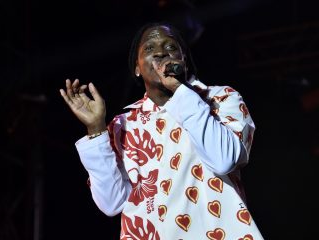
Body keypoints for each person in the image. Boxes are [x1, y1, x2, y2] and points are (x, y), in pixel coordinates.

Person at [60, 22, 264, 239]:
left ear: (183, 59)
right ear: (137, 68)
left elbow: (224, 160)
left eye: (170, 47)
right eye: (149, 49)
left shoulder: (221, 99)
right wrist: (96, 129)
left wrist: (180, 91)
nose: (159, 52)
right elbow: (111, 203)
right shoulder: (124, 126)